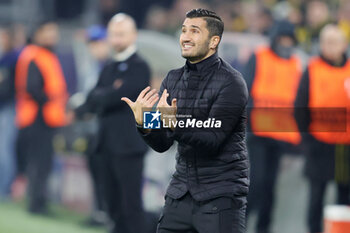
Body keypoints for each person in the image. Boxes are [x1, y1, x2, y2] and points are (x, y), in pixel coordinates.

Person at [122, 8, 249, 233]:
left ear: (214, 41)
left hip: (220, 196)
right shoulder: (172, 79)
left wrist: (173, 123)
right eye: (183, 30)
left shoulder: (232, 83)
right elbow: (163, 143)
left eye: (194, 31)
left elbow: (213, 137)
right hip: (180, 193)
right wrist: (144, 122)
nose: (186, 37)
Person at [74, 13, 151, 233]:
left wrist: (104, 95)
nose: (116, 39)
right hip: (106, 144)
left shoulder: (139, 65)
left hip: (129, 145)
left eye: (121, 34)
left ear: (133, 35)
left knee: (131, 206)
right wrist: (106, 94)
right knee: (112, 206)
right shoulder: (109, 66)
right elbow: (92, 99)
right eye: (113, 34)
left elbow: (119, 96)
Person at [244, 20, 302, 233]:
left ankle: (263, 228)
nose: (286, 44)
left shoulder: (295, 63)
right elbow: (246, 90)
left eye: (289, 40)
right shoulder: (259, 56)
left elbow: (298, 99)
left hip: (281, 135)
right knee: (256, 184)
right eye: (282, 40)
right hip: (258, 132)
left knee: (270, 187)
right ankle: (239, 225)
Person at [295, 24, 350, 233]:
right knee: (316, 196)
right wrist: (306, 141)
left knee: (344, 198)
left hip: (345, 146)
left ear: (344, 44)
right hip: (319, 143)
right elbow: (300, 107)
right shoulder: (312, 68)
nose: (330, 46)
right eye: (326, 42)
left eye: (335, 41)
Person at [14, 21, 69, 214]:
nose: (53, 36)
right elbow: (32, 88)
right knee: (39, 163)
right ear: (38, 33)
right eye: (49, 32)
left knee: (43, 162)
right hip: (37, 117)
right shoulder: (34, 55)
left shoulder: (45, 55)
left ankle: (39, 200)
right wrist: (52, 100)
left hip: (46, 116)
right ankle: (36, 203)